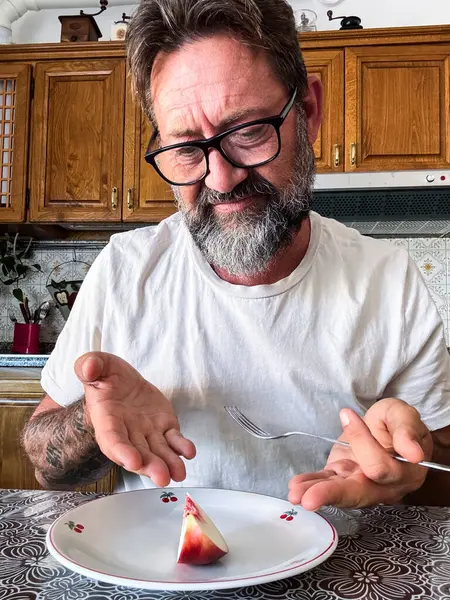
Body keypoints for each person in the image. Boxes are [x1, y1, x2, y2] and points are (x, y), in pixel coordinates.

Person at [22, 0, 450, 510]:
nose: (220, 179)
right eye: (185, 148)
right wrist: (92, 420)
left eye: (248, 132)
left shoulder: (388, 279)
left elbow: (438, 465)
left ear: (308, 111)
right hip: (165, 574)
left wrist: (407, 460)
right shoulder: (125, 269)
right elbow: (46, 464)